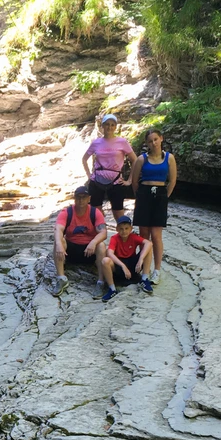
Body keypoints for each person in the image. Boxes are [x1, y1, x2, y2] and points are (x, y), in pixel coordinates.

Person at [130, 128, 177, 284]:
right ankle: (145, 269)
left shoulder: (169, 158)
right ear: (147, 143)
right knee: (144, 236)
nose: (154, 143)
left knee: (156, 236)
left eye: (156, 139)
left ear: (161, 139)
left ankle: (157, 270)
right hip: (144, 195)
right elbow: (135, 182)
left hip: (160, 196)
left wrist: (164, 197)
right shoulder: (141, 159)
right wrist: (142, 196)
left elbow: (172, 181)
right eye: (150, 141)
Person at [53, 185, 107, 296]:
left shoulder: (95, 212)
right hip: (71, 250)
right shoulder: (66, 212)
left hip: (89, 250)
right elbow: (58, 229)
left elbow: (103, 232)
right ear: (74, 198)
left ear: (89, 198)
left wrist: (93, 242)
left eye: (84, 197)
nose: (81, 200)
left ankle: (101, 282)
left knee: (101, 245)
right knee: (59, 241)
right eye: (78, 197)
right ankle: (61, 278)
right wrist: (59, 244)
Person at [82, 114, 137, 224]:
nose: (109, 127)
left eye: (112, 125)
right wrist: (89, 176)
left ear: (115, 127)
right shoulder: (96, 142)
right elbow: (84, 159)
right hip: (97, 180)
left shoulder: (122, 142)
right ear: (102, 125)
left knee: (118, 211)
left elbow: (135, 160)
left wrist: (129, 180)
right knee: (96, 211)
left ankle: (125, 237)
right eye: (107, 124)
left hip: (116, 181)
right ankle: (99, 234)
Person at [101, 215, 153, 301]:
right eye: (121, 229)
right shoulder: (114, 238)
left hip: (132, 264)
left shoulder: (133, 237)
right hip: (119, 265)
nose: (124, 231)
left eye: (126, 228)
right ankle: (112, 289)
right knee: (105, 260)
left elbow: (148, 243)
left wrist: (140, 259)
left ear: (131, 228)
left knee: (148, 249)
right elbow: (110, 253)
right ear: (117, 229)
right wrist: (123, 266)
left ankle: (144, 279)